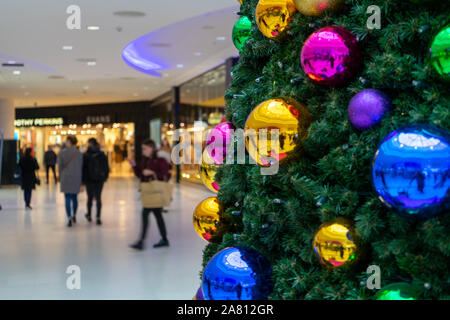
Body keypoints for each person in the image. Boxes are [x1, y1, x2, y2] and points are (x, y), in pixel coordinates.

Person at [128, 139, 170, 250]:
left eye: (145, 148)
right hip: (148, 192)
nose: (143, 151)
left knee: (147, 214)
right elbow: (140, 175)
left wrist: (153, 173)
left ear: (151, 148)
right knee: (158, 216)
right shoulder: (145, 160)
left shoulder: (160, 160)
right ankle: (164, 239)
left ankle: (141, 241)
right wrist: (134, 166)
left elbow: (166, 175)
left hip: (156, 192)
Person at [82, 138, 109, 225]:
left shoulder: (86, 155)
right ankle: (98, 217)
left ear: (89, 144)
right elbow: (106, 167)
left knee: (89, 198)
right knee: (98, 198)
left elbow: (83, 169)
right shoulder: (102, 154)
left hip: (89, 179)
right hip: (99, 179)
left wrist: (83, 180)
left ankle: (89, 215)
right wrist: (105, 177)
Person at [58, 135, 83, 227]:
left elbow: (60, 167)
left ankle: (69, 218)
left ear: (69, 141)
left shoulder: (62, 153)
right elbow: (81, 166)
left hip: (66, 178)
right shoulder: (79, 153)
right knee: (75, 197)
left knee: (67, 198)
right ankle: (74, 215)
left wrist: (60, 176)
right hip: (76, 177)